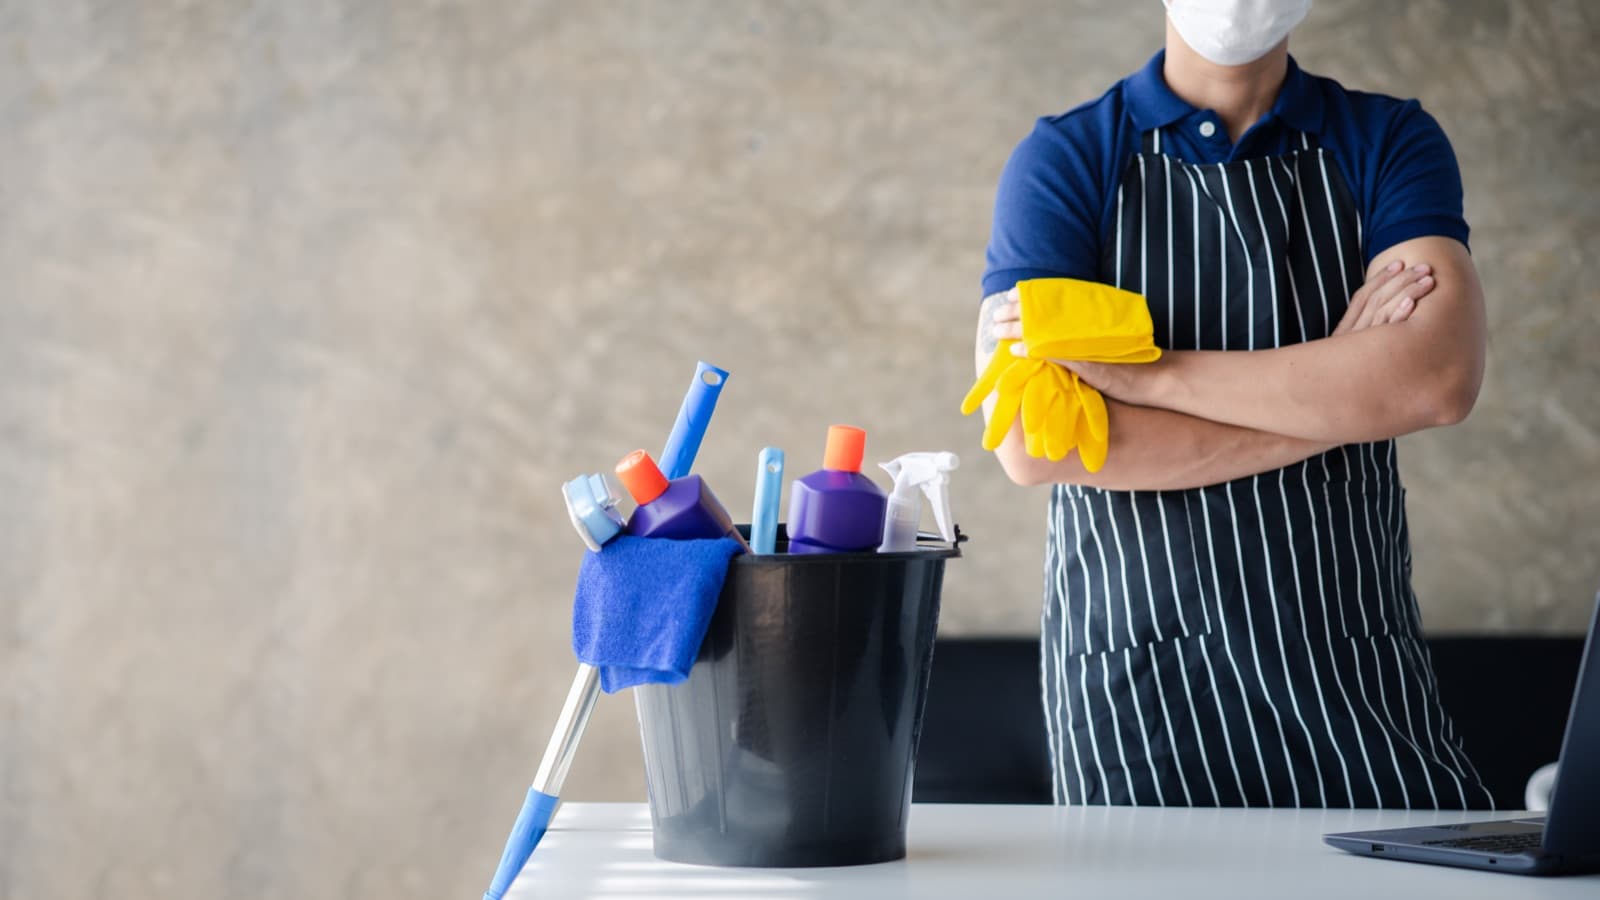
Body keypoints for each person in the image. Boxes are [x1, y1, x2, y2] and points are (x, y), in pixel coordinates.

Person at [974, 0, 1492, 808]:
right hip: (1138, 689)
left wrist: (1148, 378)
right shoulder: (1069, 158)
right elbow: (1038, 444)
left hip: (1351, 671)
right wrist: (1341, 399)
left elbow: (1435, 382)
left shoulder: (1388, 139)